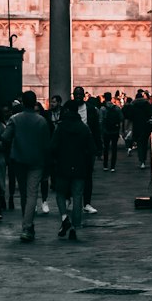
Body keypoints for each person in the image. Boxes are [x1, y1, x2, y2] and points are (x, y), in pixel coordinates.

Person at [2, 89, 53, 242]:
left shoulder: (15, 119)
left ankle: (28, 224)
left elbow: (5, 137)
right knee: (32, 194)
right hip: (36, 161)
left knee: (24, 194)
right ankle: (27, 226)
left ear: (23, 102)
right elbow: (46, 145)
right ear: (35, 102)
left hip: (18, 160)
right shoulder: (41, 121)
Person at [51, 99, 96, 242]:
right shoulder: (83, 128)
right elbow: (92, 149)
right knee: (77, 196)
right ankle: (75, 227)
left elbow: (53, 147)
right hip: (80, 166)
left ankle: (65, 218)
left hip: (62, 166)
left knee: (60, 194)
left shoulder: (61, 127)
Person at [71, 86, 101, 214]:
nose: (78, 96)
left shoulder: (91, 109)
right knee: (71, 173)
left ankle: (87, 203)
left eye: (80, 94)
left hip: (87, 146)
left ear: (84, 95)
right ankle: (71, 199)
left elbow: (96, 128)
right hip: (72, 146)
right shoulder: (70, 107)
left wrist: (98, 146)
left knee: (88, 175)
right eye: (76, 94)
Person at [100, 92, 122, 171]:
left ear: (105, 98)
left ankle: (105, 165)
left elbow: (101, 121)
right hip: (115, 131)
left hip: (106, 131)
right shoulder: (116, 108)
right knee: (114, 148)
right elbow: (121, 118)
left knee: (106, 148)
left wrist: (101, 131)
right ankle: (113, 166)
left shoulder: (103, 109)